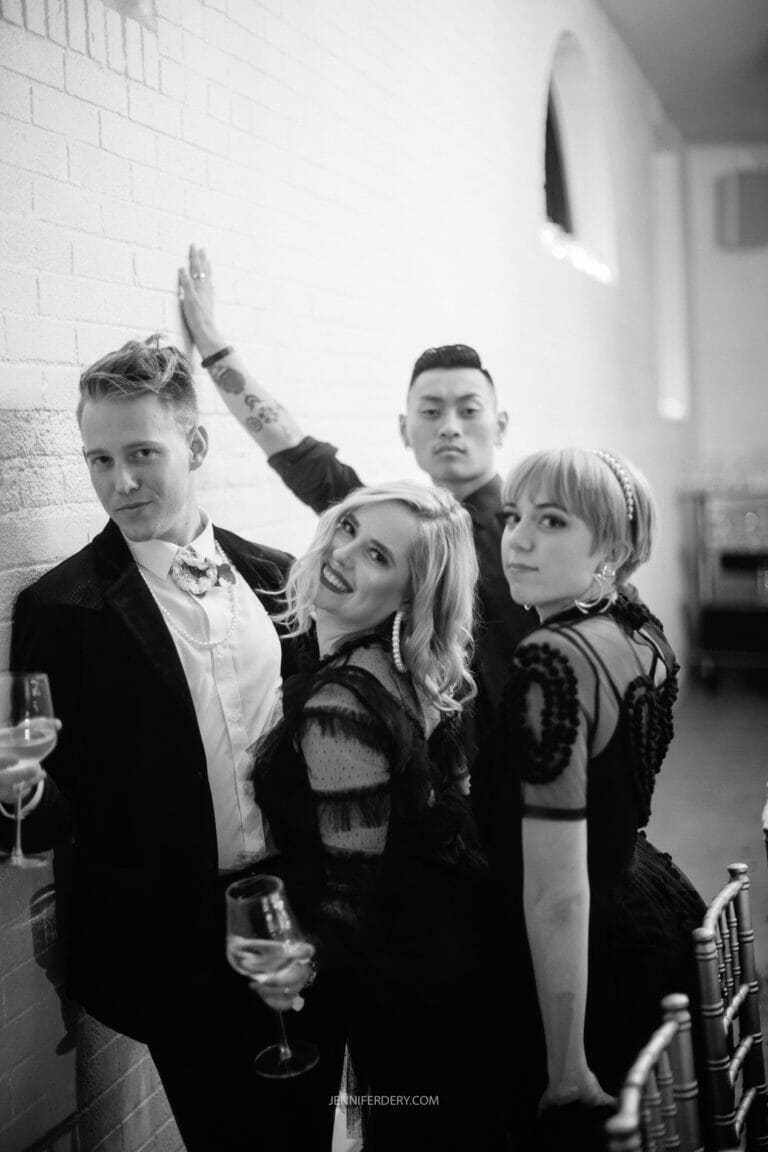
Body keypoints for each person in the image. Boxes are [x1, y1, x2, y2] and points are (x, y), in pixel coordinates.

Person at [0, 338, 340, 1152]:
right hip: (174, 946)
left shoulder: (279, 579)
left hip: (304, 914)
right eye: (99, 459)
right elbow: (45, 822)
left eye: (143, 453)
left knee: (311, 1128)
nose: (120, 482)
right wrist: (17, 792)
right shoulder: (62, 608)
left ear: (194, 445)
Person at [177, 245, 532, 757]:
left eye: (468, 410)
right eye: (430, 411)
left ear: (499, 425)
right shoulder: (401, 529)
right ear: (404, 429)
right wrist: (211, 345)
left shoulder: (528, 533)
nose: (450, 426)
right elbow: (303, 458)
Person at [244, 481, 508, 1151]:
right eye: (349, 529)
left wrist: (299, 964)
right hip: (454, 948)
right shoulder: (414, 669)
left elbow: (354, 883)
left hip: (406, 979)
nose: (343, 553)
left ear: (410, 596)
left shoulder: (342, 702)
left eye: (379, 557)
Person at [482, 447, 705, 1149]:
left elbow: (556, 892)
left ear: (610, 546)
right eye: (513, 517)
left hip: (583, 952)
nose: (516, 540)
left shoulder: (555, 657)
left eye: (550, 521)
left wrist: (566, 1061)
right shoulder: (640, 626)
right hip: (650, 899)